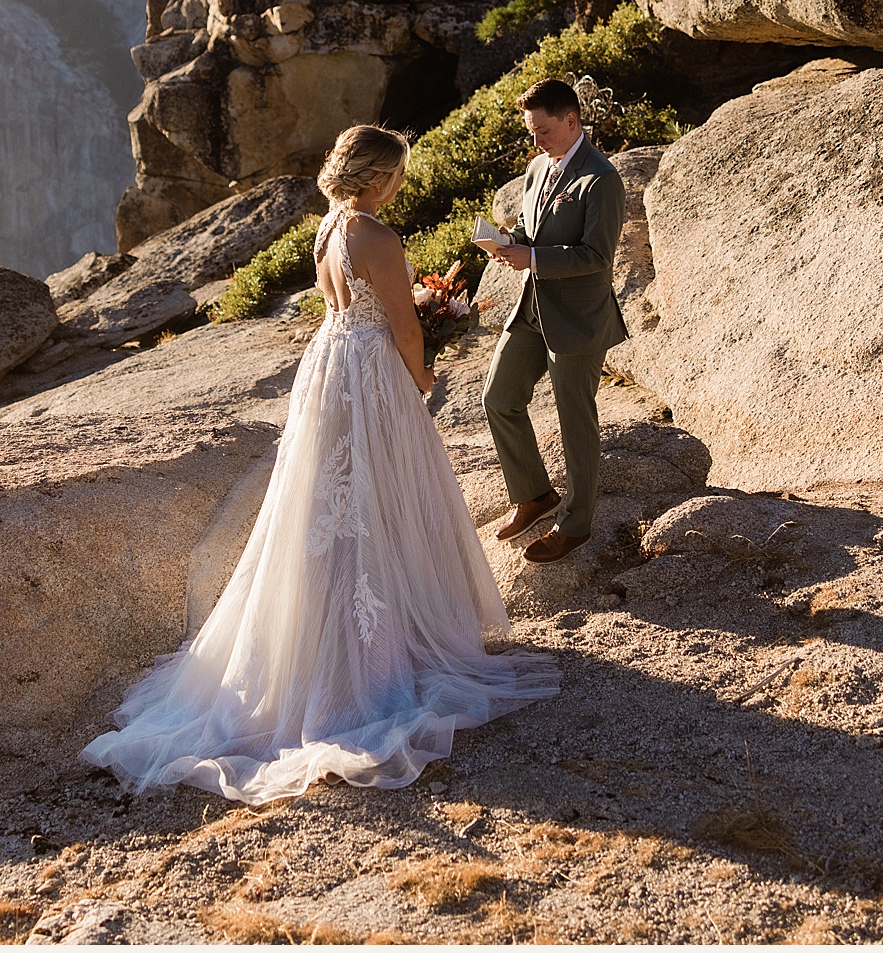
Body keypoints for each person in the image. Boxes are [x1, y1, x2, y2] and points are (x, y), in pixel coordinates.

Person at [81, 125, 558, 803]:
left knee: (324, 503)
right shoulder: (379, 236)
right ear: (379, 177)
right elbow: (403, 322)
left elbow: (344, 306)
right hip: (371, 373)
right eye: (397, 174)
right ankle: (375, 664)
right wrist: (422, 375)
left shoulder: (330, 228)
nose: (401, 185)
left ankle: (317, 644)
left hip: (331, 365)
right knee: (381, 496)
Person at [472, 78, 628, 564]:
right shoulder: (538, 166)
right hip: (532, 308)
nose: (534, 139)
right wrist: (506, 241)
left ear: (571, 121)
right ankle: (535, 494)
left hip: (579, 318)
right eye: (530, 130)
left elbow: (598, 256)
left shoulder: (602, 178)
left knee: (574, 420)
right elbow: (531, 228)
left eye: (541, 129)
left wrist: (533, 257)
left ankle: (575, 524)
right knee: (498, 398)